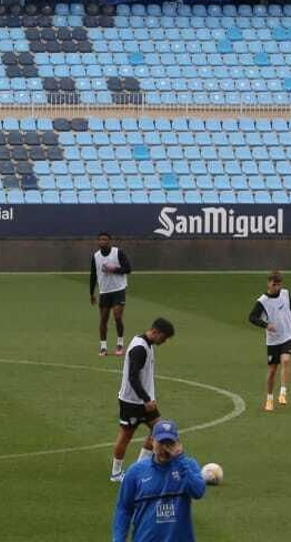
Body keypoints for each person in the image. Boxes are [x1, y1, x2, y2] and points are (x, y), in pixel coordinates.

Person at [112, 420, 206, 542]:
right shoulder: (135, 472)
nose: (165, 448)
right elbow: (124, 508)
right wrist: (119, 539)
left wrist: (180, 461)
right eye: (161, 442)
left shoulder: (188, 466)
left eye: (170, 443)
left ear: (178, 443)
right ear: (152, 441)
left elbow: (198, 492)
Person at [112, 317, 176, 482]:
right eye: (164, 337)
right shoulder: (139, 348)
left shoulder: (147, 344)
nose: (164, 341)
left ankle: (140, 468)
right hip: (132, 402)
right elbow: (133, 378)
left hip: (144, 401)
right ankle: (116, 473)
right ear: (155, 332)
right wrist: (146, 399)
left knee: (159, 430)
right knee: (126, 435)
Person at [249, 269, 291, 412]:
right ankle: (269, 398)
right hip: (273, 340)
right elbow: (252, 318)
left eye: (279, 284)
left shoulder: (285, 294)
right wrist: (266, 325)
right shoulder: (262, 301)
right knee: (272, 371)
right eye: (274, 284)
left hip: (288, 335)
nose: (277, 287)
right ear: (269, 283)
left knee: (286, 360)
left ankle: (283, 393)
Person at [91, 232, 133, 356]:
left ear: (109, 241)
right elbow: (93, 275)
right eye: (100, 240)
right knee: (103, 319)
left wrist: (114, 269)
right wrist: (91, 293)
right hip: (104, 291)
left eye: (105, 239)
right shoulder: (96, 256)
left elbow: (128, 269)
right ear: (98, 242)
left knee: (117, 316)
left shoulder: (118, 253)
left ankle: (120, 344)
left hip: (118, 289)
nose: (102, 242)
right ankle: (103, 347)